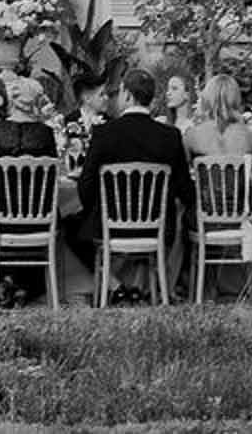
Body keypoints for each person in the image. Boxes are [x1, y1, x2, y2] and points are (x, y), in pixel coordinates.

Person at [65, 69, 194, 302]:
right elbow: (185, 189)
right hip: (158, 228)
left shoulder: (104, 133)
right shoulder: (170, 135)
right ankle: (134, 287)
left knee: (69, 224)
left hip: (110, 226)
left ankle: (115, 286)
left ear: (126, 94)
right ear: (151, 98)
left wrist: (97, 210)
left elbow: (86, 186)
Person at [0, 74, 60, 307]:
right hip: (39, 219)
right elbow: (53, 179)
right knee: (55, 218)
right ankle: (26, 287)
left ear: (11, 100)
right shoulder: (45, 134)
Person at [183, 74, 252, 159]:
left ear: (207, 98)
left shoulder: (191, 135)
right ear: (236, 99)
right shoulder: (250, 136)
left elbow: (184, 169)